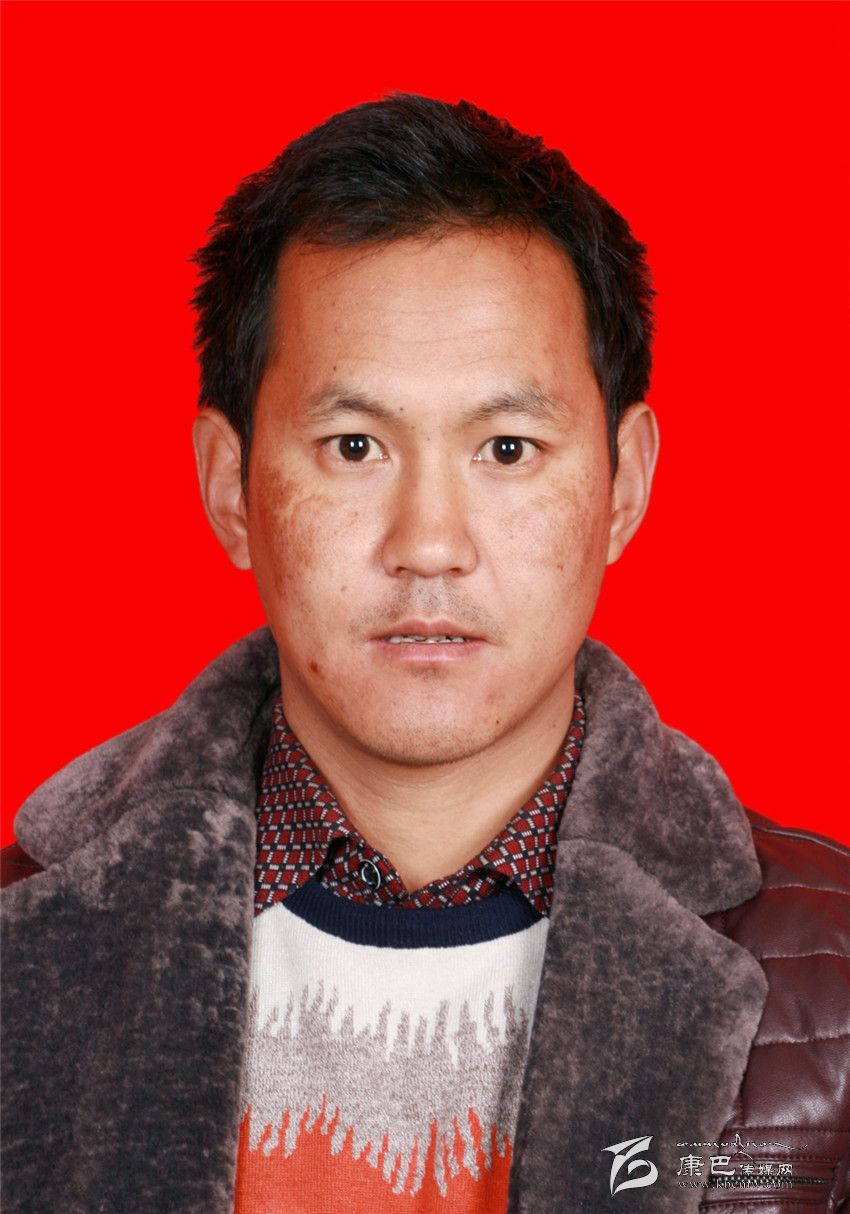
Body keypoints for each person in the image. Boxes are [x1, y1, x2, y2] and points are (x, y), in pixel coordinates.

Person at [2, 95, 847, 1214]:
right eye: (354, 445)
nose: (431, 543)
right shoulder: (20, 942)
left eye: (508, 448)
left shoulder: (833, 976)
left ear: (624, 483)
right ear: (231, 485)